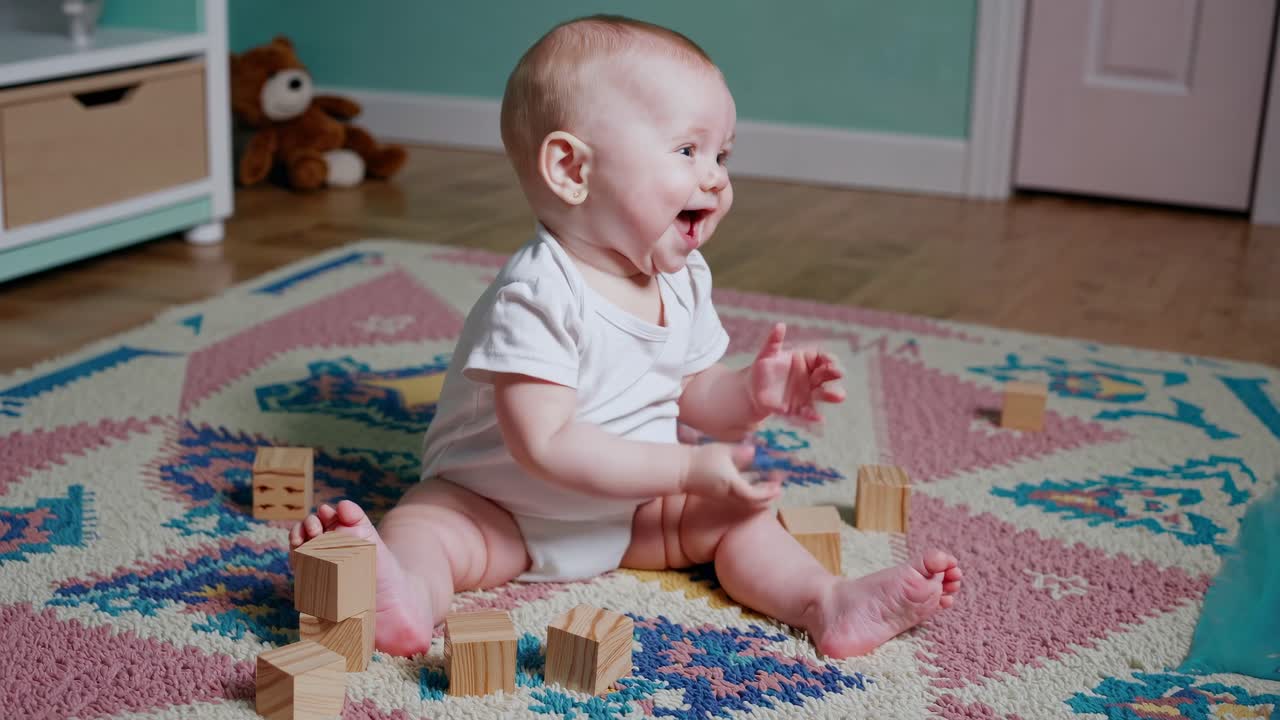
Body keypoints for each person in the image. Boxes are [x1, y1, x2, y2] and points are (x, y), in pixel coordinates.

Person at [290, 14, 961, 659]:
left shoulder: (682, 275)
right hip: (494, 508)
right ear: (573, 171)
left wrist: (753, 394)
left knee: (738, 520)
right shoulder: (537, 295)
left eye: (723, 154)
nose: (717, 176)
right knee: (427, 529)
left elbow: (694, 391)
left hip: (632, 512)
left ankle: (827, 603)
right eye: (688, 149)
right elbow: (545, 445)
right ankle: (405, 595)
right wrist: (686, 467)